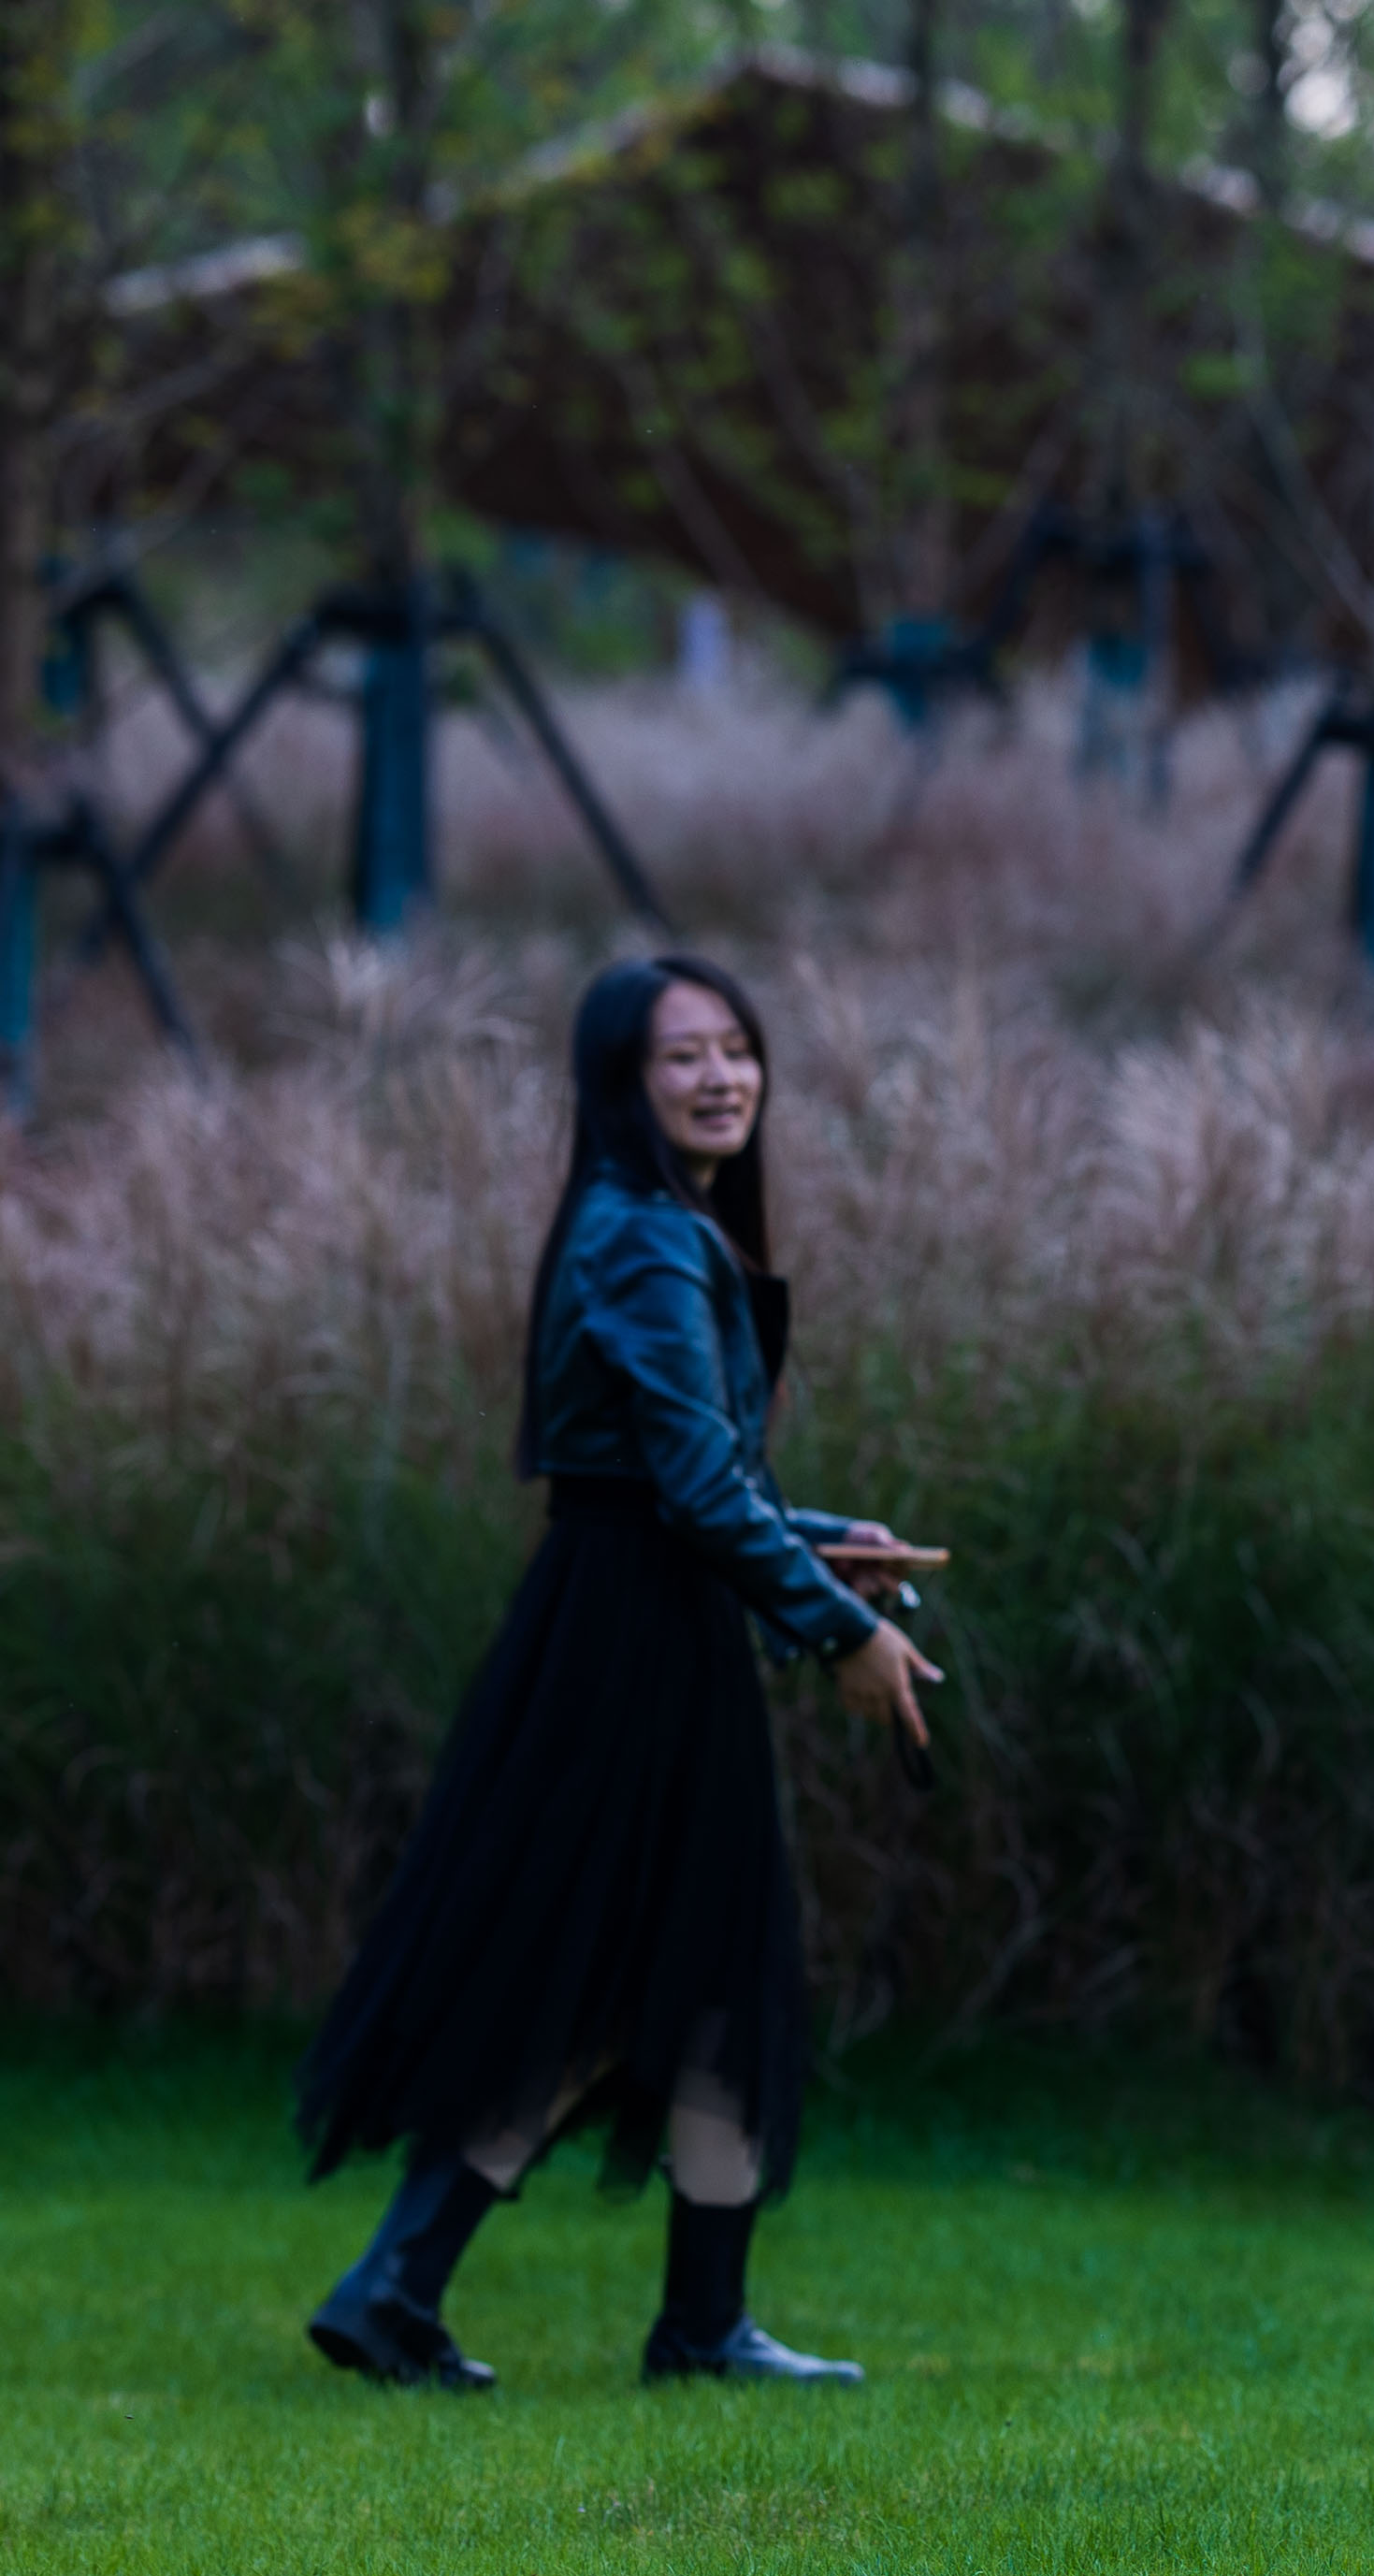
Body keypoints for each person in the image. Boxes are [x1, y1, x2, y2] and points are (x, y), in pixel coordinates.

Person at [289, 954, 942, 2392]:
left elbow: (674, 1476)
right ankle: (416, 2285)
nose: (721, 1077)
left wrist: (829, 1542)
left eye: (736, 1048)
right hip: (633, 1647)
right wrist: (841, 1627)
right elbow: (694, 1492)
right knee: (606, 1980)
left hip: (640, 1623)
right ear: (620, 1085)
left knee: (692, 1974)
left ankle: (681, 2320)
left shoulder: (654, 1226)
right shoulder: (643, 1235)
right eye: (682, 1057)